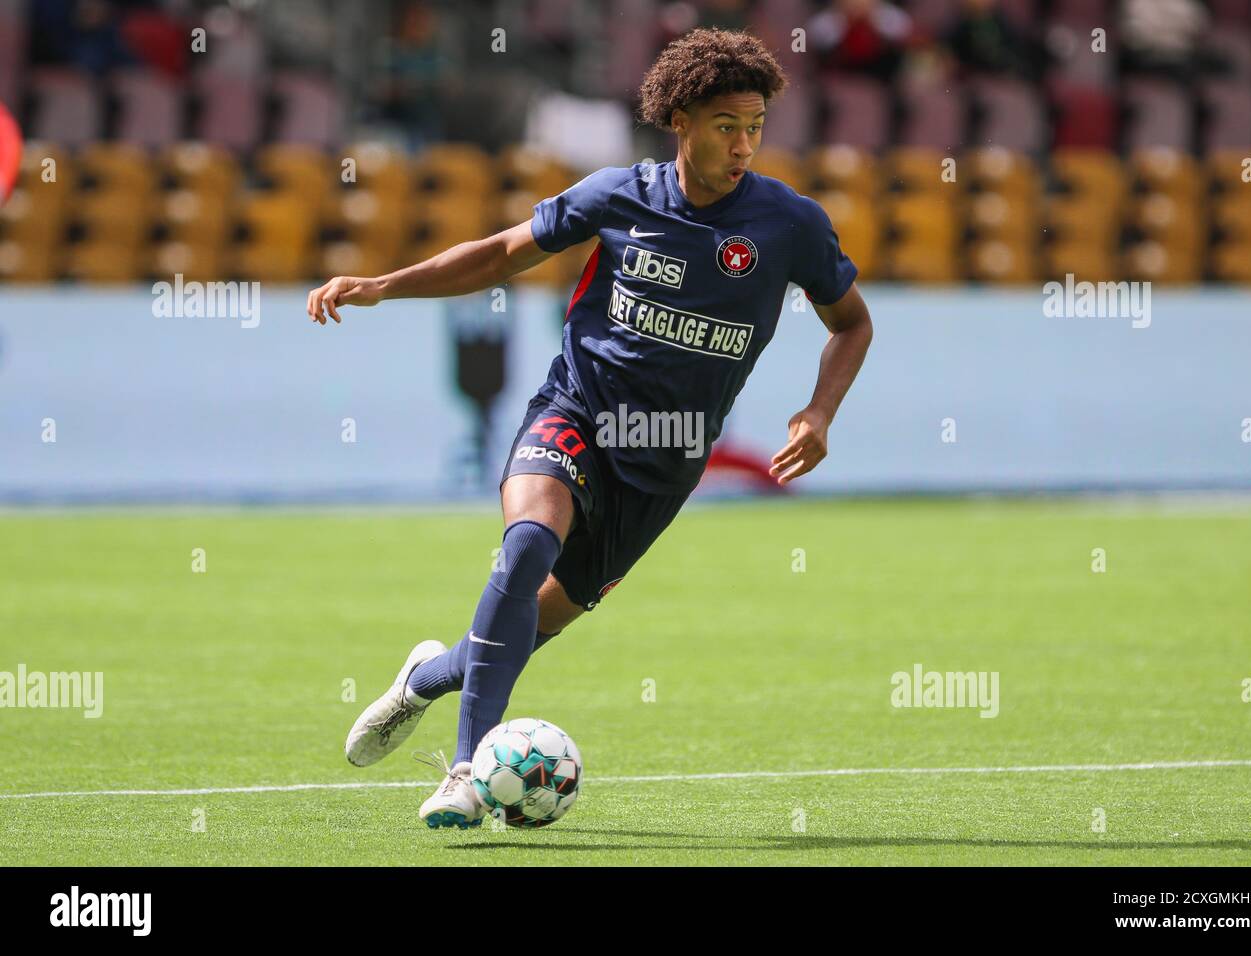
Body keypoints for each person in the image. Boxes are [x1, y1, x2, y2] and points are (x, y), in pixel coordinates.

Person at [305, 27, 874, 829]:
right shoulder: (618, 195)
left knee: (520, 630)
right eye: (724, 126)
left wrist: (819, 412)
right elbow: (503, 253)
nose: (743, 145)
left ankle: (424, 680)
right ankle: (467, 771)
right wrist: (384, 285)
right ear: (679, 118)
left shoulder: (791, 226)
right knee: (528, 541)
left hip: (664, 461)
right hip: (575, 410)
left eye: (754, 128)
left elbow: (851, 323)